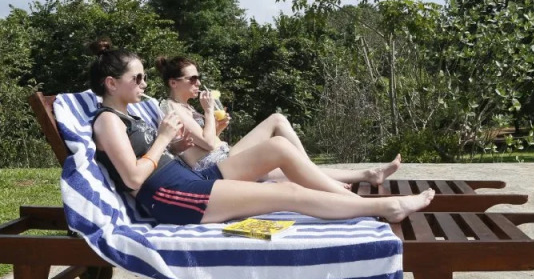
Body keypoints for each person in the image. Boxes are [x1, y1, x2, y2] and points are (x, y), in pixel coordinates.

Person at [88, 40, 433, 225]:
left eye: (144, 77)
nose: (144, 83)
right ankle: (385, 207)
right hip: (172, 198)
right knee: (287, 192)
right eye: (137, 78)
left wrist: (176, 145)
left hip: (187, 181)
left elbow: (160, 157)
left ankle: (372, 204)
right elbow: (133, 178)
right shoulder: (108, 121)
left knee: (284, 173)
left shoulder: (128, 115)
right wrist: (163, 138)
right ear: (111, 83)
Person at [154, 55, 401, 186]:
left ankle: (370, 174)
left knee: (284, 141)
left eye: (198, 77)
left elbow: (206, 141)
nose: (198, 83)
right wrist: (209, 112)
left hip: (224, 157)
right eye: (192, 79)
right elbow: (207, 144)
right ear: (173, 83)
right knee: (281, 134)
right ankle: (353, 177)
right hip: (214, 169)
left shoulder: (186, 107)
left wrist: (217, 126)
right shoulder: (172, 109)